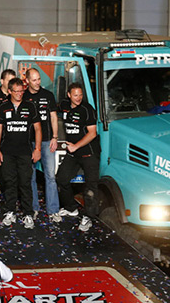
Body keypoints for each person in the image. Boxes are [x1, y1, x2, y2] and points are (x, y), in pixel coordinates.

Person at [0, 77, 41, 229]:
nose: (19, 94)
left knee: (25, 183)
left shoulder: (30, 106)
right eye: (16, 91)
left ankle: (28, 214)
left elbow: (38, 128)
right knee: (9, 183)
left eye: (21, 91)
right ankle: (10, 211)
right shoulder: (3, 107)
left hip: (25, 152)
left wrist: (38, 149)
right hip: (7, 152)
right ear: (9, 91)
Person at [56, 82, 101, 232]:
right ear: (69, 95)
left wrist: (76, 146)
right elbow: (51, 110)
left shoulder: (87, 110)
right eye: (75, 95)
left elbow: (92, 133)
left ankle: (89, 217)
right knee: (61, 178)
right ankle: (71, 208)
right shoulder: (64, 105)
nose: (78, 98)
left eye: (80, 95)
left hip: (89, 153)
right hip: (73, 153)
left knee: (90, 186)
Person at [23, 68, 61, 222]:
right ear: (27, 81)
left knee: (50, 176)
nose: (37, 82)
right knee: (30, 176)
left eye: (38, 79)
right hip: (28, 142)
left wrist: (55, 137)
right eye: (34, 80)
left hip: (46, 141)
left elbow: (53, 117)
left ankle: (53, 210)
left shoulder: (48, 95)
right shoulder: (23, 96)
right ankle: (33, 208)